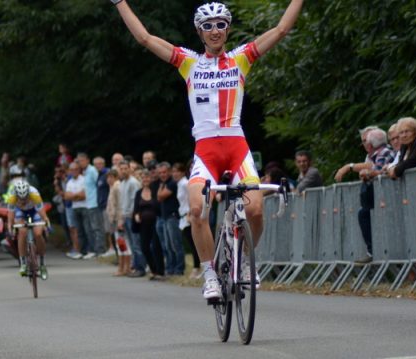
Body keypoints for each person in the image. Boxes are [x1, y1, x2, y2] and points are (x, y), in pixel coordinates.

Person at [113, 0, 303, 299]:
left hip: (236, 146)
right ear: (200, 32)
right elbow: (145, 38)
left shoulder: (241, 58)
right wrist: (120, 3)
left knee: (254, 208)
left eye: (221, 25)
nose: (215, 31)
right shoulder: (188, 62)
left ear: (227, 29)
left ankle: (243, 261)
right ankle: (210, 272)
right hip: (205, 150)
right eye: (208, 26)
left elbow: (281, 29)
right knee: (198, 209)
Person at [354, 128, 395, 263]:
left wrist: (366, 173)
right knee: (364, 214)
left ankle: (373, 251)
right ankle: (372, 250)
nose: (365, 145)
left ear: (370, 144)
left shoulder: (383, 153)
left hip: (386, 197)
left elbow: (376, 172)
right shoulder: (373, 155)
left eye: (366, 142)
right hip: (376, 198)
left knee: (364, 214)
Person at [6, 179, 50, 277]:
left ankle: (42, 263)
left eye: (25, 198)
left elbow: (41, 212)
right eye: (20, 199)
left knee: (38, 234)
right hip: (20, 212)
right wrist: (10, 226)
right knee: (22, 232)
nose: (23, 201)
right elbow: (11, 215)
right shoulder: (12, 197)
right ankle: (23, 263)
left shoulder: (34, 193)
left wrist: (46, 220)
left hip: (34, 210)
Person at [133, 170, 165, 280]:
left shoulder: (155, 190)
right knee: (144, 247)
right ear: (141, 180)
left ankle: (160, 271)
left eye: (147, 178)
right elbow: (136, 207)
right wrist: (136, 215)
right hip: (143, 225)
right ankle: (153, 269)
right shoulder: (138, 193)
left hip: (155, 222)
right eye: (143, 178)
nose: (145, 180)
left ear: (150, 179)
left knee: (156, 247)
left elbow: (159, 206)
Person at [156, 161, 185, 276]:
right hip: (165, 217)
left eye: (164, 172)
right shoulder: (165, 184)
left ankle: (179, 269)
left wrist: (160, 188)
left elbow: (160, 196)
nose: (162, 175)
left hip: (173, 217)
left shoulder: (172, 183)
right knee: (168, 246)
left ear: (168, 172)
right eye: (160, 173)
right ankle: (171, 268)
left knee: (175, 244)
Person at [174, 162, 200, 279]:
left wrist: (190, 213)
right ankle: (197, 267)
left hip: (188, 215)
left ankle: (196, 267)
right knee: (191, 243)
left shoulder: (185, 183)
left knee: (194, 243)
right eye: (173, 171)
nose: (175, 174)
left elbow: (192, 197)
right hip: (183, 215)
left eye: (177, 171)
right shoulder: (180, 183)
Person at [118, 160, 144, 275]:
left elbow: (136, 201)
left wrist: (134, 216)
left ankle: (140, 267)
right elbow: (122, 202)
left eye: (125, 168)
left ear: (129, 169)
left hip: (132, 216)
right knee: (131, 244)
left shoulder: (133, 182)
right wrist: (121, 218)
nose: (123, 171)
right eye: (121, 169)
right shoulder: (122, 183)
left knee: (136, 243)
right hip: (125, 216)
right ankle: (135, 266)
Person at [77, 153, 106, 256]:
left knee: (97, 228)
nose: (80, 163)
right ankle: (94, 249)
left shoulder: (92, 171)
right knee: (91, 228)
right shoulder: (85, 172)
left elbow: (98, 185)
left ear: (87, 160)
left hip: (94, 203)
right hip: (88, 203)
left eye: (82, 161)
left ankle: (100, 249)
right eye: (79, 161)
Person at [105, 170, 129, 275]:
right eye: (108, 177)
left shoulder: (117, 187)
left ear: (116, 178)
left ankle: (124, 267)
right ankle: (122, 267)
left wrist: (120, 220)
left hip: (118, 219)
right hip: (113, 219)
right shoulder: (112, 187)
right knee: (119, 244)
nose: (109, 180)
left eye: (111, 177)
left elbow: (120, 205)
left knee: (123, 244)